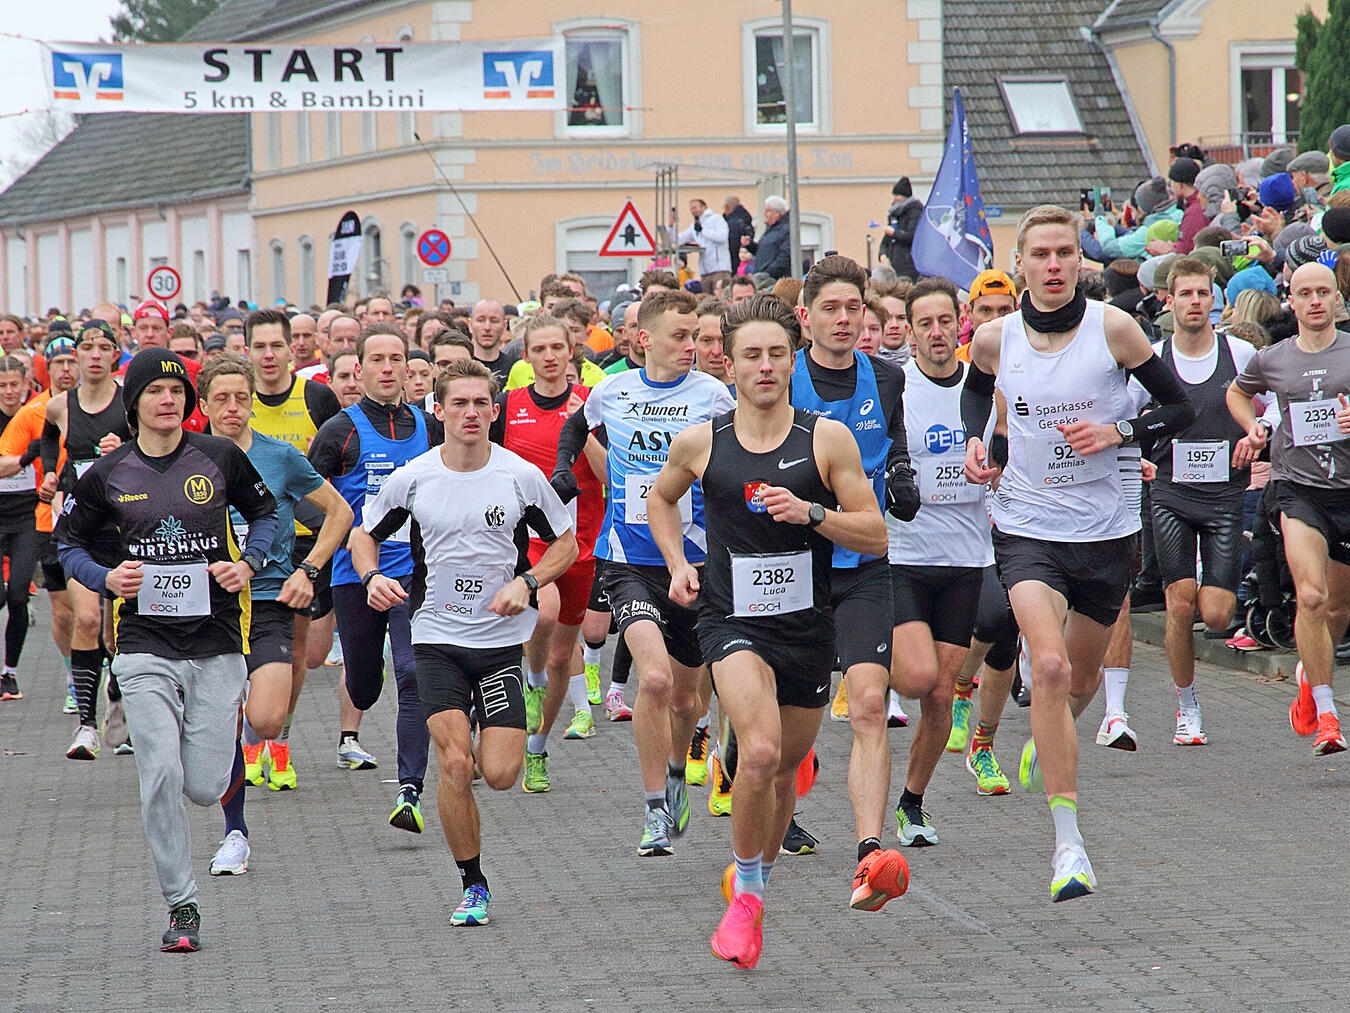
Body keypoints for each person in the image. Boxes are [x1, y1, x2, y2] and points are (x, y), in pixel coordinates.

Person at [649, 293, 900, 970]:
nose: (765, 366)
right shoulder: (705, 440)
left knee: (784, 767)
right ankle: (749, 894)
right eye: (751, 355)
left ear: (794, 361)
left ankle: (753, 877)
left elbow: (875, 533)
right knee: (757, 752)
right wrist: (677, 563)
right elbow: (659, 498)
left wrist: (813, 512)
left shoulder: (825, 439)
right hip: (730, 620)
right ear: (726, 364)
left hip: (806, 628)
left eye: (777, 354)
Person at [961, 204, 1194, 902]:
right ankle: (1069, 845)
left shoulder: (1113, 329)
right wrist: (980, 442)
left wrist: (1119, 432)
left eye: (1066, 252)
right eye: (1042, 254)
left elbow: (1178, 407)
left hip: (1107, 532)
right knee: (1051, 664)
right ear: (1022, 263)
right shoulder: (996, 338)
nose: (1056, 264)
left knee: (1081, 683)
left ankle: (1048, 733)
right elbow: (977, 398)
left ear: (1080, 262)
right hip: (1027, 526)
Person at [56, 347, 278, 952]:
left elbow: (268, 515)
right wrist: (105, 579)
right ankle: (182, 906)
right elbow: (68, 543)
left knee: (203, 786)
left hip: (216, 641)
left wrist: (247, 562)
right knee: (158, 773)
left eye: (177, 391)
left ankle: (197, 743)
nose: (168, 400)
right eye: (155, 391)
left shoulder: (221, 456)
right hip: (143, 643)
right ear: (135, 405)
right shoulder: (107, 474)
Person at [353, 358, 577, 926]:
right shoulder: (414, 478)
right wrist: (373, 577)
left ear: (494, 411)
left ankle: (497, 722)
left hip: (500, 644)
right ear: (440, 410)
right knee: (456, 765)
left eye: (481, 403)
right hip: (435, 637)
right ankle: (473, 885)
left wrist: (527, 583)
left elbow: (566, 545)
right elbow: (363, 535)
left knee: (499, 774)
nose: (470, 412)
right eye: (459, 404)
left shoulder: (520, 477)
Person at [551, 289, 735, 856]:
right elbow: (573, 427)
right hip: (627, 557)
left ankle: (679, 769)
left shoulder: (713, 396)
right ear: (643, 340)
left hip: (698, 563)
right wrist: (564, 472)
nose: (692, 347)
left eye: (697, 337)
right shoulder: (612, 390)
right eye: (680, 337)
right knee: (651, 679)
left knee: (687, 702)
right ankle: (656, 810)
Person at [194, 353, 351, 876]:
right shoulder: (184, 459)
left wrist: (307, 568)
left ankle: (240, 732)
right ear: (204, 404)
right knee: (220, 721)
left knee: (264, 719)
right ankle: (235, 832)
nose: (234, 407)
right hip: (204, 606)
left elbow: (339, 513)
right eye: (222, 398)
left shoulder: (280, 457)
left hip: (267, 600)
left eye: (243, 397)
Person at [789, 255, 919, 861]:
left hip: (865, 561)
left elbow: (894, 445)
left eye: (853, 308)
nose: (844, 320)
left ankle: (870, 848)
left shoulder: (888, 378)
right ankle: (756, 778)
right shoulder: (779, 377)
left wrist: (900, 478)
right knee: (794, 719)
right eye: (830, 309)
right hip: (793, 567)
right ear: (805, 317)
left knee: (869, 702)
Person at [1120, 259, 1258, 745]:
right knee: (1179, 605)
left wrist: (1258, 433)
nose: (1196, 302)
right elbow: (1122, 414)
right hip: (1172, 492)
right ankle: (1186, 706)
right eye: (1187, 294)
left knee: (1217, 613)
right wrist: (1134, 456)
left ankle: (1212, 603)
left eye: (1203, 293)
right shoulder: (1152, 360)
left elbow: (1273, 406)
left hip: (1225, 495)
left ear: (1214, 300)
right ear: (1169, 301)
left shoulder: (1239, 352)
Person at [886, 277, 1002, 828]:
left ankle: (912, 803)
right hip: (905, 555)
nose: (936, 333)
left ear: (961, 324)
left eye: (944, 322)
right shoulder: (895, 389)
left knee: (936, 695)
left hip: (965, 558)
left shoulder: (984, 390)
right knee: (913, 677)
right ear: (909, 333)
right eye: (923, 324)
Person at [308, 323, 432, 831]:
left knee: (412, 674)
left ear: (408, 368)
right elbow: (304, 493)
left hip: (414, 576)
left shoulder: (430, 426)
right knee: (364, 687)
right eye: (376, 359)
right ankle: (363, 682)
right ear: (359, 370)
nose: (387, 368)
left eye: (395, 359)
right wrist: (339, 533)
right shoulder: (340, 430)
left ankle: (410, 791)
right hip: (355, 574)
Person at [1229, 262, 1350, 755]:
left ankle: (1309, 674)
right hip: (1297, 489)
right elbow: (1238, 392)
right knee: (1312, 598)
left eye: (1324, 292)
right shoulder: (1271, 358)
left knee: (1338, 609)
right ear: (1291, 302)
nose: (1316, 301)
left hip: (1346, 490)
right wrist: (1252, 427)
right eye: (1305, 293)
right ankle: (1327, 716)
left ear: (1337, 299)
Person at [489, 316, 606, 790]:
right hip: (531, 539)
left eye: (559, 347)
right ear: (527, 356)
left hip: (583, 539)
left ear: (572, 352)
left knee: (564, 656)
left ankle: (537, 748)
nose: (551, 356)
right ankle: (531, 675)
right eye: (541, 349)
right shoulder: (510, 405)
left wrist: (587, 427)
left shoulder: (591, 407)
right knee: (544, 614)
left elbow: (606, 475)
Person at [44, 320, 132, 759]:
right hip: (80, 530)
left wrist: (127, 445)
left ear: (116, 354)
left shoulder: (129, 403)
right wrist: (50, 477)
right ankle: (85, 725)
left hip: (125, 528)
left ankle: (117, 696)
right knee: (88, 621)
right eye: (87, 347)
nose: (95, 354)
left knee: (119, 634)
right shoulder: (61, 406)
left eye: (104, 347)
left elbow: (150, 452)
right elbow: (52, 446)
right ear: (75, 355)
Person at [0, 337, 79, 709]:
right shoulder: (33, 413)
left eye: (71, 360)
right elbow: (6, 460)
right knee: (63, 611)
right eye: (58, 362)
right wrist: (28, 457)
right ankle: (71, 677)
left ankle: (104, 679)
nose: (66, 368)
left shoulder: (105, 405)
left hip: (83, 522)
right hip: (45, 518)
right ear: (47, 367)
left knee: (97, 615)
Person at [0, 356, 39, 700]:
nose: (9, 392)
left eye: (15, 384)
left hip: (28, 516)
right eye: (2, 385)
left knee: (17, 595)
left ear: (26, 384)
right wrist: (23, 460)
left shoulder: (35, 416)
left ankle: (9, 673)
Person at [672, 198, 732, 293]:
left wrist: (703, 231)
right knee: (707, 301)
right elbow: (679, 239)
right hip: (705, 270)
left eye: (695, 207)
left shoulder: (716, 219)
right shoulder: (694, 226)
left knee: (721, 297)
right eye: (691, 208)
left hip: (720, 268)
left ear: (704, 207)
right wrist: (672, 225)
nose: (693, 210)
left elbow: (723, 236)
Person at [880, 178, 923, 280]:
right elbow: (887, 239)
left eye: (897, 195)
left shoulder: (915, 211)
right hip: (894, 263)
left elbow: (912, 236)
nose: (895, 199)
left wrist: (894, 233)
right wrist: (882, 253)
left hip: (908, 264)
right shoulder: (894, 214)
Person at [740, 197, 791, 282]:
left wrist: (767, 273)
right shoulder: (770, 230)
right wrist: (750, 245)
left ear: (777, 213)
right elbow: (763, 251)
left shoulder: (786, 230)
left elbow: (785, 257)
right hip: (762, 277)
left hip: (773, 280)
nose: (765, 214)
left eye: (768, 211)